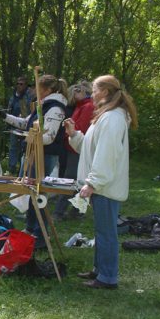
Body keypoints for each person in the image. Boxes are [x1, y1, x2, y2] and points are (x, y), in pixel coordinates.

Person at [65, 75, 138, 289]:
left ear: (105, 92)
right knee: (101, 231)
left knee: (107, 233)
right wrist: (74, 135)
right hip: (102, 186)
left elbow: (106, 155)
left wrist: (93, 183)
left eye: (94, 90)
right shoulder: (106, 116)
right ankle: (100, 270)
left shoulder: (113, 118)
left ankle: (107, 277)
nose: (91, 94)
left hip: (105, 187)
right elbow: (90, 149)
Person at [1, 75, 68, 248]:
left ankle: (40, 233)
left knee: (39, 194)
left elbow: (49, 137)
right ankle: (31, 228)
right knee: (32, 191)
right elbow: (26, 124)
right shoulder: (43, 105)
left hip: (45, 155)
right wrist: (6, 117)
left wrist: (30, 137)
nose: (32, 91)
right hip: (35, 152)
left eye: (37, 89)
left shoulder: (55, 108)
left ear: (47, 90)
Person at [53, 81, 94, 220]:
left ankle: (60, 212)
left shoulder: (88, 106)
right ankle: (77, 212)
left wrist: (68, 132)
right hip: (75, 148)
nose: (74, 93)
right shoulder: (81, 106)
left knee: (70, 181)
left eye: (77, 90)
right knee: (78, 181)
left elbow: (80, 129)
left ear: (84, 92)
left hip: (78, 149)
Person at [6, 76, 33, 175]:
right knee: (13, 147)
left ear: (26, 85)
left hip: (26, 125)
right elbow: (9, 108)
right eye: (17, 83)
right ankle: (11, 168)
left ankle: (22, 170)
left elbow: (31, 110)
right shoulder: (14, 95)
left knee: (25, 148)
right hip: (14, 124)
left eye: (21, 84)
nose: (19, 85)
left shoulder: (30, 95)